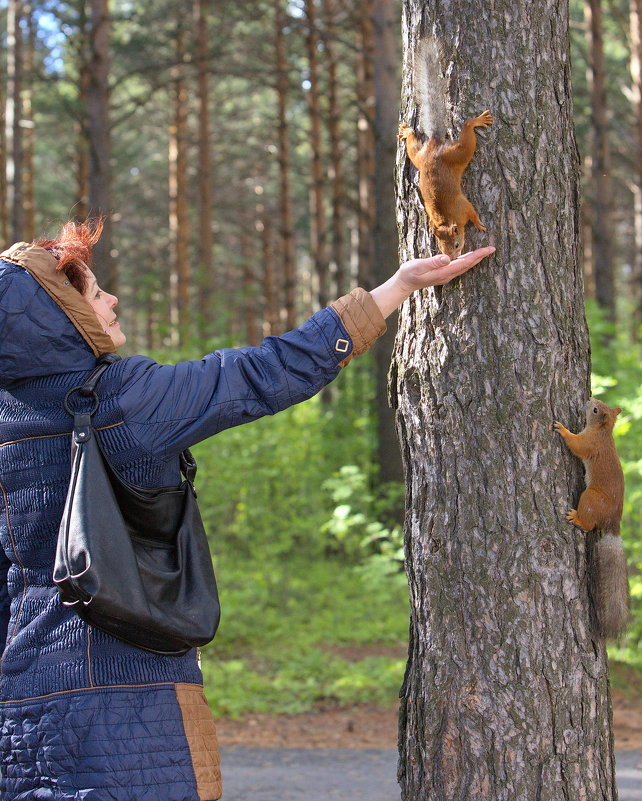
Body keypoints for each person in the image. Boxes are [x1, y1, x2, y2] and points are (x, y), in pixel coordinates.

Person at [0, 220, 494, 801]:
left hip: (15, 700)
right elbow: (265, 372)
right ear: (59, 318)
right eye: (92, 293)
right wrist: (398, 287)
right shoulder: (124, 400)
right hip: (123, 694)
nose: (110, 299)